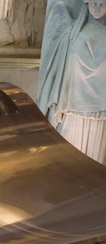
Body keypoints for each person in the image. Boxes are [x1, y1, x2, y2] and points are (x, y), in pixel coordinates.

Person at [37, 0, 106, 164]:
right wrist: (43, 105)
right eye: (93, 3)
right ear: (86, 4)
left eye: (102, 4)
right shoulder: (70, 34)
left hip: (100, 111)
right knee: (65, 162)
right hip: (72, 107)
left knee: (95, 165)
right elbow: (54, 69)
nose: (96, 8)